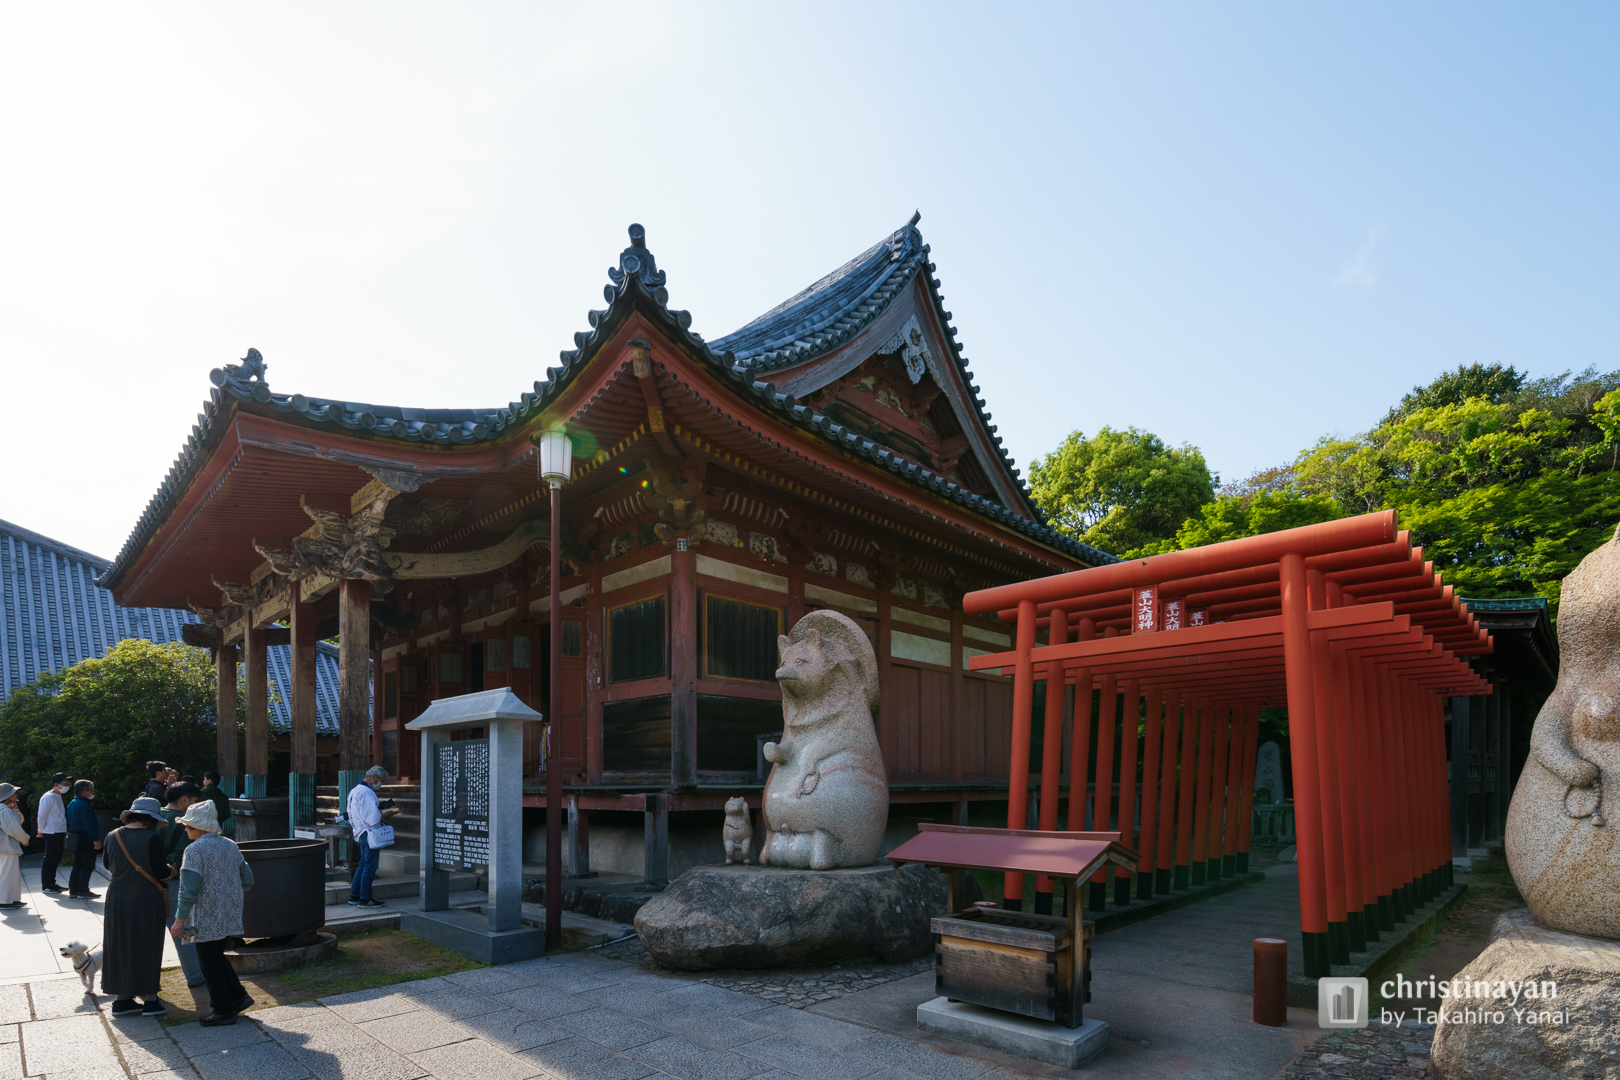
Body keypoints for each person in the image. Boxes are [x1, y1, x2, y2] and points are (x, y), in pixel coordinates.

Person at [170, 800, 254, 1026]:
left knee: (208, 962)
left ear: (199, 827)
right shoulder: (229, 844)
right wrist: (228, 892)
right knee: (215, 956)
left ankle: (223, 1010)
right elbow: (248, 878)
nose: (185, 829)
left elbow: (188, 891)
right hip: (229, 911)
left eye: (188, 826)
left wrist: (179, 921)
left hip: (200, 915)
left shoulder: (194, 850)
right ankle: (238, 995)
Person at [101, 796, 170, 1016]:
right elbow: (161, 872)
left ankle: (122, 999)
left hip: (117, 895)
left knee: (119, 943)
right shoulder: (152, 838)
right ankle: (151, 999)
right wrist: (174, 869)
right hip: (146, 895)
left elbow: (106, 864)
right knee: (148, 943)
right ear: (151, 819)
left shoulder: (111, 836)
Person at [159, 782, 205, 988]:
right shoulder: (182, 823)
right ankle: (195, 975)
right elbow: (180, 857)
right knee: (184, 932)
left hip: (146, 883)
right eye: (195, 802)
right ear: (184, 800)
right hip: (173, 883)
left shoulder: (154, 816)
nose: (195, 806)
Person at [345, 765, 387, 907]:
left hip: (359, 832)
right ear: (374, 777)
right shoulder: (367, 792)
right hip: (369, 833)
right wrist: (386, 814)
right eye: (381, 779)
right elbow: (373, 818)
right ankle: (365, 898)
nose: (381, 783)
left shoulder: (354, 791)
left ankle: (354, 895)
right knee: (370, 867)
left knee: (363, 865)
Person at [65, 780, 102, 899]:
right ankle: (83, 890)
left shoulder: (72, 803)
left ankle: (73, 890)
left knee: (78, 864)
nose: (93, 792)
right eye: (91, 790)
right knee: (87, 865)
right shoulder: (85, 805)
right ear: (84, 792)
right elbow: (89, 825)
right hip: (86, 838)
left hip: (76, 838)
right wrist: (95, 839)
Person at [35, 773, 70, 893]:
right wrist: (40, 829)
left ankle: (52, 882)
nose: (67, 786)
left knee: (56, 858)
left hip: (59, 831)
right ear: (56, 784)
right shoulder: (48, 797)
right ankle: (46, 885)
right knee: (50, 858)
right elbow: (41, 815)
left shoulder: (57, 796)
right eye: (65, 784)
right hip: (52, 831)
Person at [0, 784, 28, 909]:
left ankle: (12, 899)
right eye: (13, 792)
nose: (15, 794)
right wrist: (25, 839)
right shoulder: (4, 810)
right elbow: (14, 828)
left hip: (6, 847)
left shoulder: (5, 809)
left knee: (12, 874)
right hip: (6, 847)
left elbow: (16, 822)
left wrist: (16, 810)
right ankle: (4, 901)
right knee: (7, 874)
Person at [200, 771, 234, 837]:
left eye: (204, 779)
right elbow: (227, 814)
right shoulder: (223, 796)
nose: (203, 781)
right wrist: (218, 820)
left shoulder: (199, 794)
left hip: (201, 828)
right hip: (217, 827)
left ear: (210, 781)